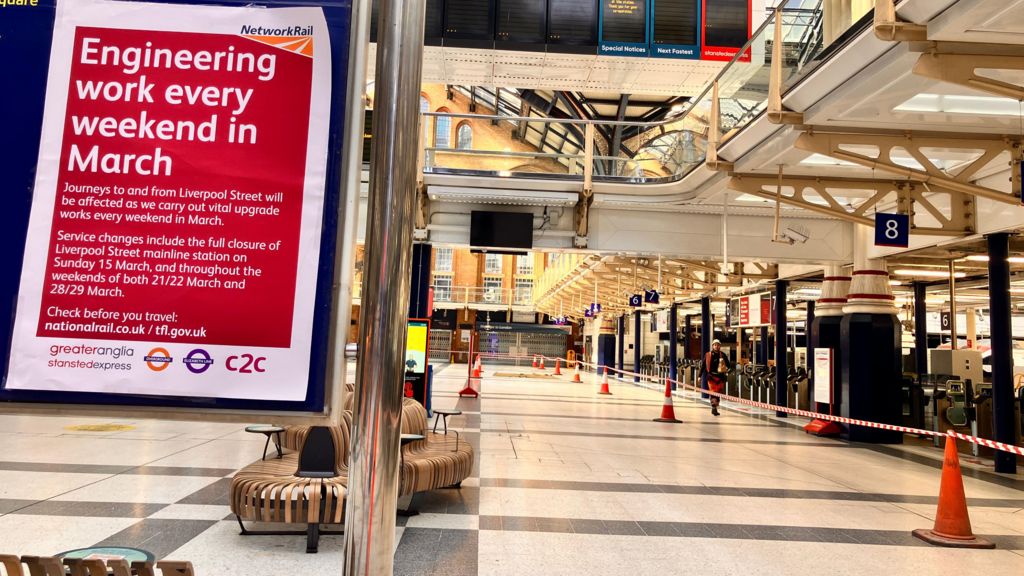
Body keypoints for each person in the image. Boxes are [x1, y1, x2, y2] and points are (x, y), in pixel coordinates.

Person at [700, 339, 731, 416]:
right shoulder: (708, 355)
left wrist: (728, 369)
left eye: (718, 345)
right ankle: (714, 407)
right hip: (711, 377)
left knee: (718, 393)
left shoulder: (723, 355)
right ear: (712, 346)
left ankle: (715, 407)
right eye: (715, 345)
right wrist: (699, 376)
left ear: (720, 346)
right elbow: (703, 366)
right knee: (713, 392)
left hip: (720, 377)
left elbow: (728, 365)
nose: (716, 346)